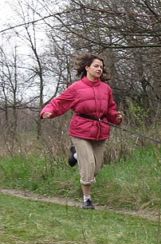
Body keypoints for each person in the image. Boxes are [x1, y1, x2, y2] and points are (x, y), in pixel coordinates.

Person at [40, 53, 123, 209]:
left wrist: (116, 117)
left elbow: (110, 109)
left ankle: (76, 155)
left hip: (100, 131)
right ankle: (87, 199)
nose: (99, 69)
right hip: (81, 130)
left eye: (101, 66)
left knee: (96, 168)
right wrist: (48, 111)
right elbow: (59, 102)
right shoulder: (76, 88)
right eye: (96, 66)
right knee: (88, 166)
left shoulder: (106, 89)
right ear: (87, 68)